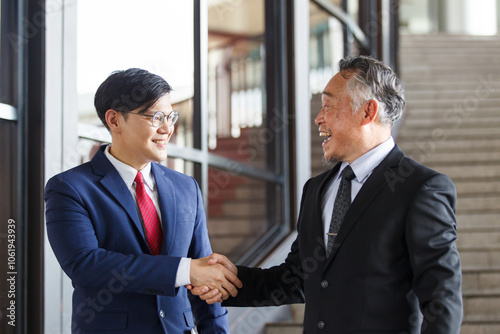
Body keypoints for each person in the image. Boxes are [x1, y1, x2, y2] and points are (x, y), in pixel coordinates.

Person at [191, 56, 463, 333]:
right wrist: (228, 281)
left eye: (329, 106)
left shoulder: (421, 188)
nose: (319, 118)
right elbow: (298, 278)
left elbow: (442, 298)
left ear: (368, 111)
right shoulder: (316, 189)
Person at [45, 68, 242, 334]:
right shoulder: (70, 188)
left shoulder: (186, 188)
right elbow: (86, 265)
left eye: (171, 116)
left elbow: (205, 275)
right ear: (114, 120)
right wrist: (184, 270)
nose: (167, 128)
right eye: (156, 117)